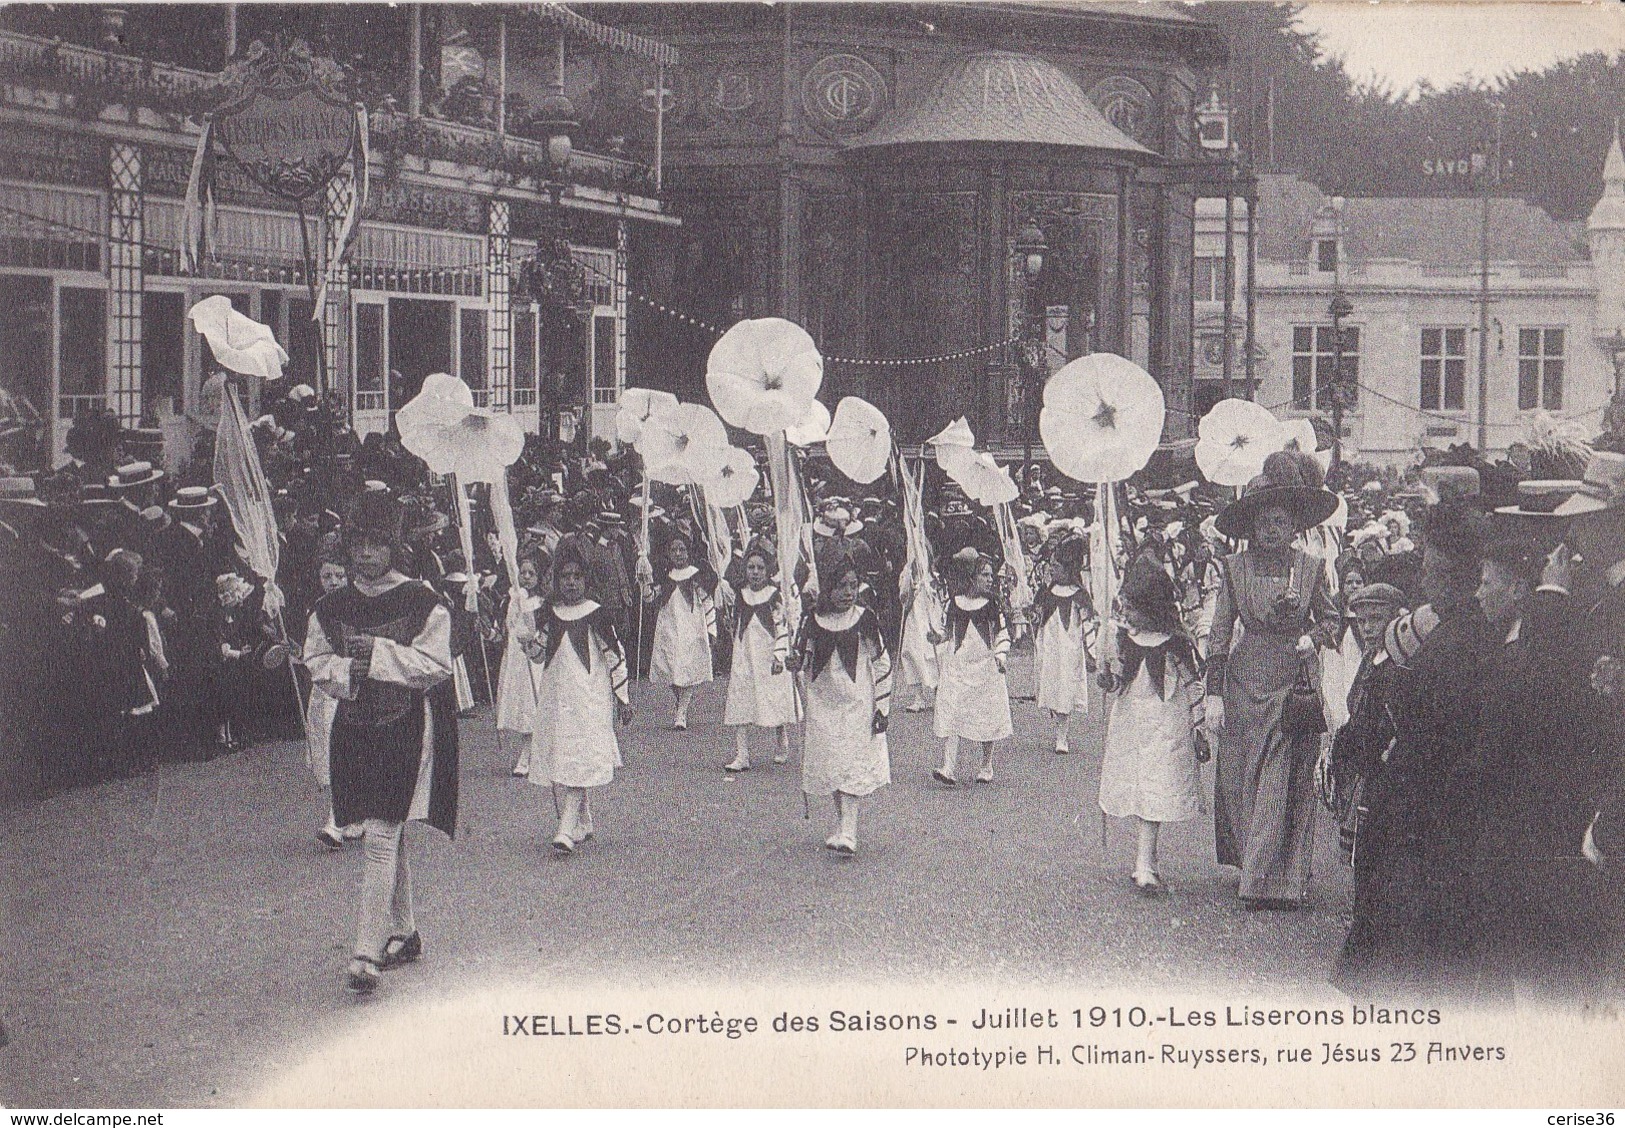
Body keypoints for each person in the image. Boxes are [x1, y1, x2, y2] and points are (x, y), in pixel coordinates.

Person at [303, 490, 458, 996]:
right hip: (354, 726)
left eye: (376, 544)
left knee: (382, 834)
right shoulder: (331, 606)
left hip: (406, 726)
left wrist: (382, 656)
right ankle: (406, 931)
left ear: (395, 547)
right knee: (383, 828)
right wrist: (348, 669)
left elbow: (435, 666)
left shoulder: (422, 601)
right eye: (358, 545)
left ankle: (366, 951)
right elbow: (316, 660)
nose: (365, 554)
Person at [1466, 537, 1612, 1003]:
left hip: (1547, 820)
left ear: (1519, 591)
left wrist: (1552, 597)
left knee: (1546, 971)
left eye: (1487, 583)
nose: (1479, 593)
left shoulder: (1547, 632)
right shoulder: (1519, 633)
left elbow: (1533, 688)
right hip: (1530, 821)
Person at [1205, 452, 1341, 909]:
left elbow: (1332, 620)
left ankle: (1272, 881)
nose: (1271, 530)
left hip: (1293, 683)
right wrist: (1214, 694)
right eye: (1264, 521)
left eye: (1280, 522)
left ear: (1294, 526)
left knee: (1283, 779)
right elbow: (1220, 633)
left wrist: (1312, 637)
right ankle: (1257, 865)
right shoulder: (1234, 569)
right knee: (1246, 779)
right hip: (1246, 683)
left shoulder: (1311, 568)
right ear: (1252, 525)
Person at [1096, 556, 1204, 895]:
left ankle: (1144, 863)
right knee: (1138, 786)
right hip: (1131, 723)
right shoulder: (1124, 640)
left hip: (1165, 724)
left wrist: (1199, 724)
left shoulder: (1176, 643)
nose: (1126, 614)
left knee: (1156, 786)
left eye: (1131, 607)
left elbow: (1193, 684)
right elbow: (1117, 683)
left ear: (1152, 607)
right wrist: (1106, 676)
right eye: (1124, 607)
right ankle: (1146, 861)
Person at [520, 539, 633, 854]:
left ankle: (566, 826)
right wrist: (526, 639)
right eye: (565, 576)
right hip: (558, 698)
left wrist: (622, 698)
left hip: (588, 698)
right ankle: (583, 819)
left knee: (579, 754)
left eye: (577, 576)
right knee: (567, 754)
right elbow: (539, 653)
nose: (570, 582)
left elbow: (615, 657)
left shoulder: (596, 614)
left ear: (587, 579)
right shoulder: (552, 615)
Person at [789, 553, 892, 856]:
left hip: (857, 701)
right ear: (827, 588)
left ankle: (849, 830)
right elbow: (804, 658)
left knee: (850, 761)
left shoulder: (864, 618)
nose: (848, 592)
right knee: (834, 763)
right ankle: (843, 823)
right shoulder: (812, 619)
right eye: (841, 586)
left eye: (853, 585)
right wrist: (793, 661)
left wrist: (882, 706)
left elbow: (882, 662)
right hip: (824, 703)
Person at [930, 548, 1013, 785]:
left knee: (986, 714)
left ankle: (986, 764)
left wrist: (1000, 655)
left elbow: (1002, 634)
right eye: (985, 575)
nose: (990, 579)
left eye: (991, 575)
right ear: (971, 577)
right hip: (958, 667)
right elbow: (946, 632)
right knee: (953, 711)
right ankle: (948, 767)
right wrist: (935, 636)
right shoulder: (954, 603)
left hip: (985, 667)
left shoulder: (992, 605)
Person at [304, 544, 363, 850]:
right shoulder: (318, 611)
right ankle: (352, 817)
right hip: (328, 686)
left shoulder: (359, 605)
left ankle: (336, 822)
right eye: (327, 575)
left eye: (340, 575)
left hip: (355, 686)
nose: (334, 581)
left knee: (347, 749)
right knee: (330, 748)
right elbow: (313, 651)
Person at [722, 542, 797, 772]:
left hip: (767, 653)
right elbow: (737, 623)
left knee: (772, 698)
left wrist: (779, 656)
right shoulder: (741, 594)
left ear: (768, 570)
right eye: (751, 567)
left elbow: (782, 627)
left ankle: (781, 738)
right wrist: (729, 625)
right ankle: (742, 754)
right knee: (741, 697)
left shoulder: (774, 595)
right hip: (745, 653)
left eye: (760, 568)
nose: (755, 573)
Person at [643, 534, 715, 731]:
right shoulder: (666, 576)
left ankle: (681, 711)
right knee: (671, 669)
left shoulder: (695, 575)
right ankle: (680, 701)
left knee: (687, 667)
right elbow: (650, 598)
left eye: (681, 549)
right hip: (668, 627)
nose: (678, 554)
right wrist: (644, 581)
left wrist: (711, 628)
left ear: (688, 552)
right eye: (674, 550)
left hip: (691, 627)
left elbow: (707, 601)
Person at [1032, 534, 1094, 754]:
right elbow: (1037, 616)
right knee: (1052, 685)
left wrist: (1092, 651)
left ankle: (1062, 736)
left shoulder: (1078, 595)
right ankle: (1058, 720)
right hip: (1050, 648)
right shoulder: (1047, 592)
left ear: (1068, 569)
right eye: (1051, 565)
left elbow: (1088, 623)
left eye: (1056, 566)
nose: (1052, 570)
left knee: (1066, 687)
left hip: (1069, 649)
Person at [497, 550, 548, 776]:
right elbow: (507, 628)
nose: (526, 577)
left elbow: (536, 629)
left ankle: (528, 754)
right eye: (523, 572)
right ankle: (531, 751)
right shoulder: (511, 599)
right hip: (515, 658)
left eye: (531, 573)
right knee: (520, 705)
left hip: (534, 656)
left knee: (532, 704)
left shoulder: (540, 602)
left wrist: (526, 612)